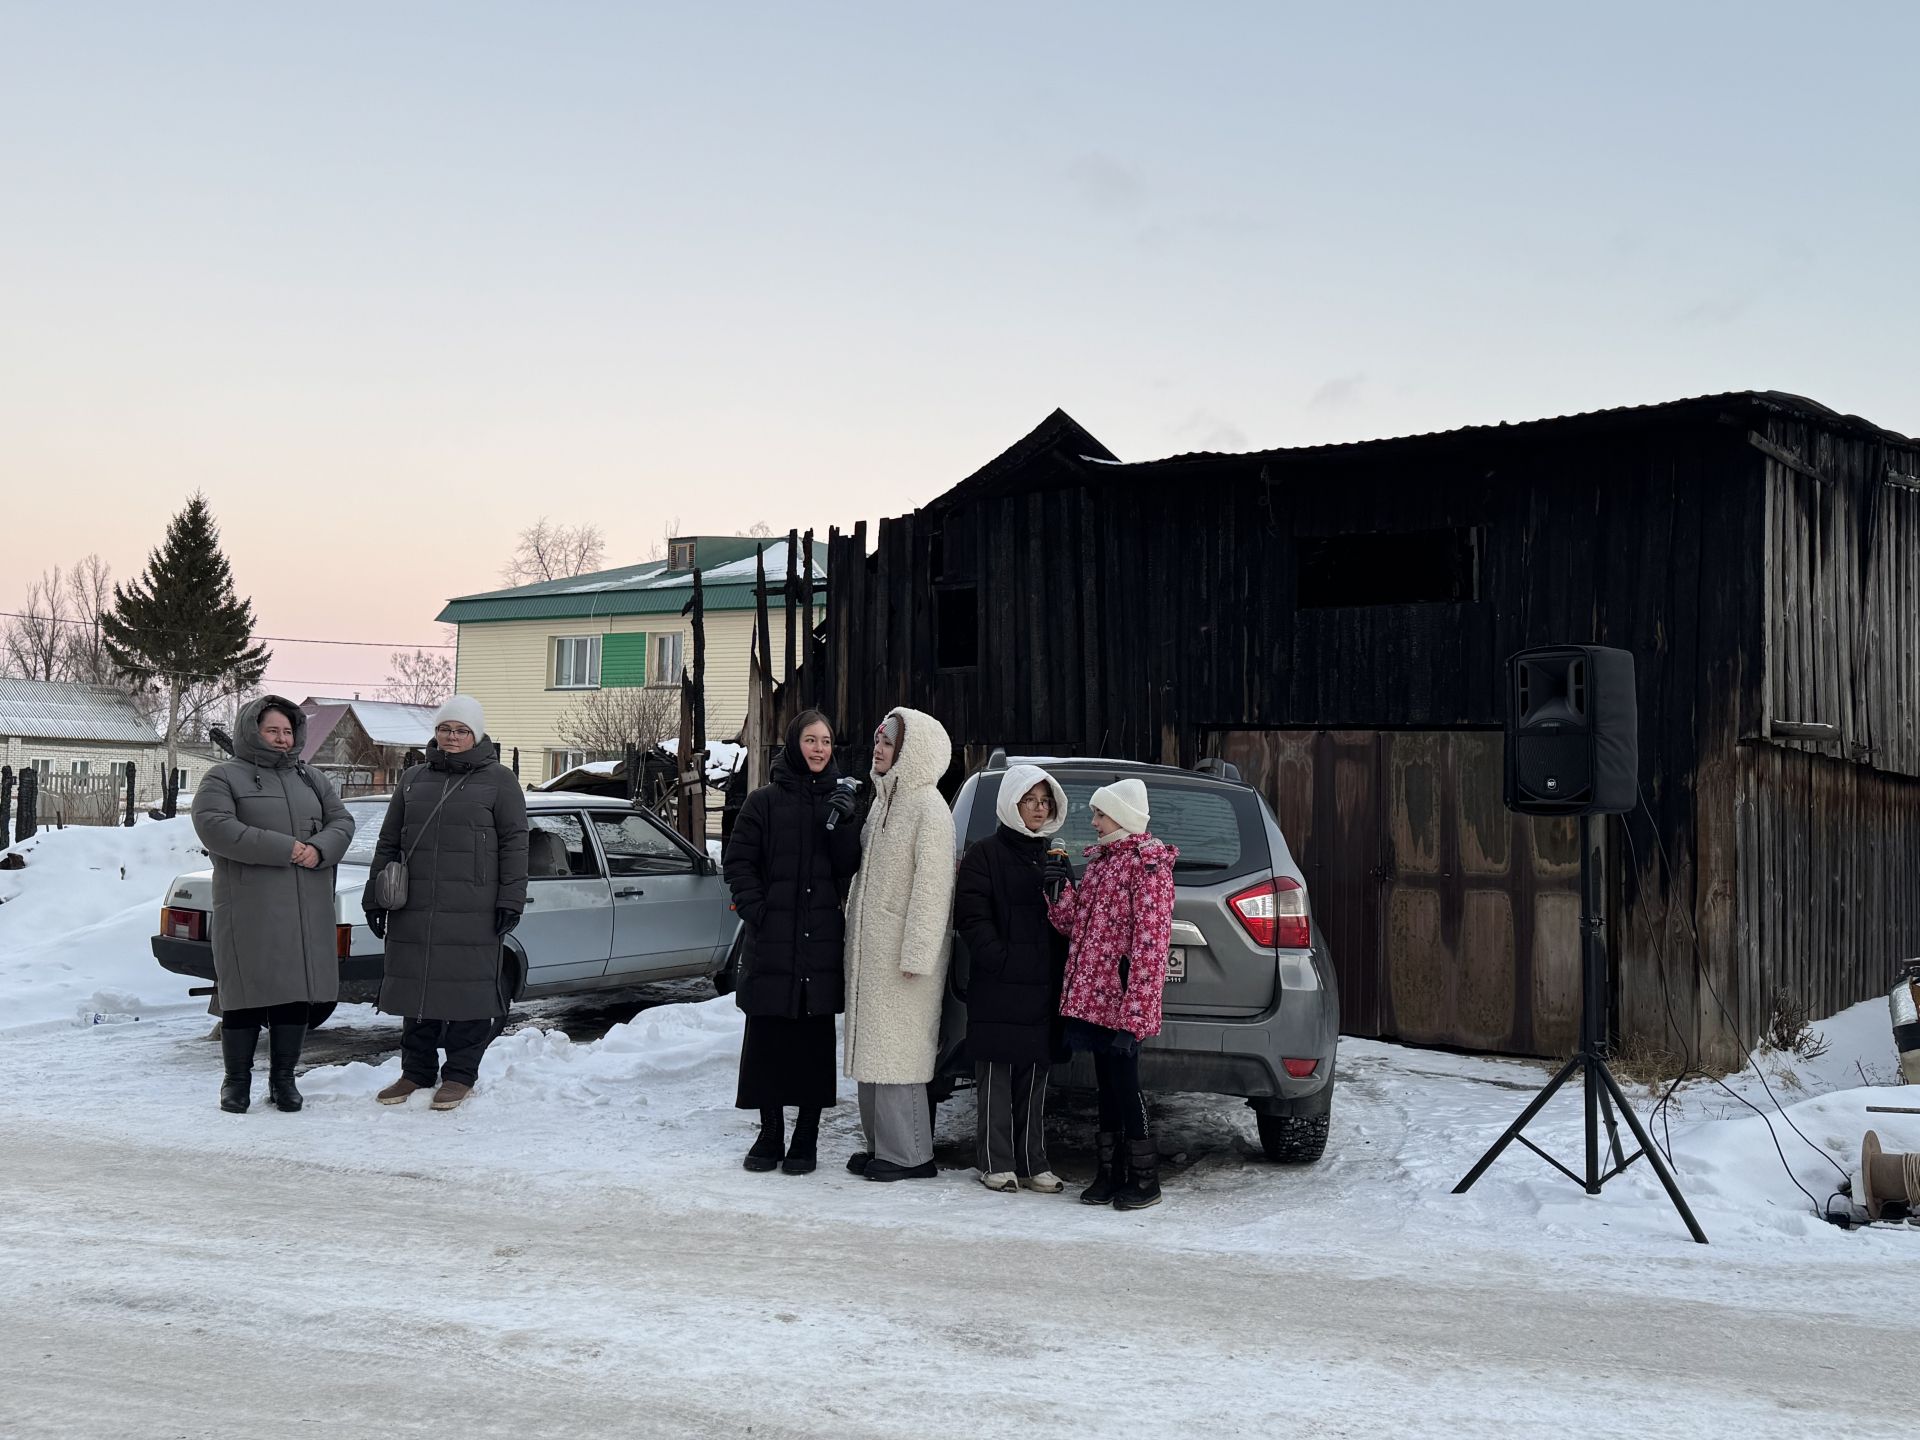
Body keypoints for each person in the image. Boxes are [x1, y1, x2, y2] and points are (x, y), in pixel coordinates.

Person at [360, 696, 528, 1112]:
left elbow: (515, 844)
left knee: (468, 993)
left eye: (461, 730)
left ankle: (459, 1075)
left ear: (477, 735)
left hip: (474, 906)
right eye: (445, 729)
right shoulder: (414, 778)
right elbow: (389, 840)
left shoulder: (499, 780)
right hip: (414, 905)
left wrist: (511, 898)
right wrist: (374, 896)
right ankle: (415, 1070)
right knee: (416, 990)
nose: (452, 737)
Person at [192, 696, 356, 1114]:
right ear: (252, 730)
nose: (282, 739)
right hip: (251, 905)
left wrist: (318, 850)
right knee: (244, 994)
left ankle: (284, 1079)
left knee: (295, 995)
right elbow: (217, 828)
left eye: (287, 731)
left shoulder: (311, 778)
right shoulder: (223, 778)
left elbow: (342, 822)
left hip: (306, 906)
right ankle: (236, 1082)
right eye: (273, 731)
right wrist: (287, 848)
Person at [724, 710, 862, 1174]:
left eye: (826, 741)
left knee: (811, 1045)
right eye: (810, 739)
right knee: (768, 1042)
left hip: (819, 941)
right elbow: (738, 862)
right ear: (793, 744)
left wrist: (843, 820)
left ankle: (806, 1138)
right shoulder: (763, 802)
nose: (819, 749)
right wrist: (758, 912)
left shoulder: (841, 801)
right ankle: (770, 1134)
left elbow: (848, 866)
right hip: (773, 941)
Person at [1045, 777, 1178, 1210]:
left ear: (1120, 816)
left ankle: (1145, 1178)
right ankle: (1110, 1173)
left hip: (1123, 1002)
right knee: (1105, 1085)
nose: (1094, 821)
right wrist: (1059, 889)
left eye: (1100, 814)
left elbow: (1151, 947)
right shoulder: (1103, 862)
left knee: (1126, 1084)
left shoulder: (1147, 865)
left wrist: (1135, 1018)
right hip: (1096, 996)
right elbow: (1074, 927)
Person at [842, 707, 956, 1182]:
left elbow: (933, 890)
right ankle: (881, 1146)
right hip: (872, 955)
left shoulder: (928, 807)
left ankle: (910, 1154)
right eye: (878, 741)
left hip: (902, 960)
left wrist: (916, 954)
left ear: (913, 752)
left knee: (899, 1057)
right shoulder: (882, 801)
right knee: (872, 1054)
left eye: (888, 742)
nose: (879, 749)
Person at [954, 764, 1070, 1194]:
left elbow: (1067, 920)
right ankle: (995, 1161)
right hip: (1000, 986)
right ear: (1011, 804)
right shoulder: (985, 854)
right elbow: (971, 914)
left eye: (1044, 801)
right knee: (997, 1077)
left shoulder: (1053, 855)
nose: (1038, 809)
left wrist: (1064, 890)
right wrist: (998, 959)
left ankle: (1032, 1162)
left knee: (1034, 1078)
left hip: (1041, 987)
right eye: (1030, 800)